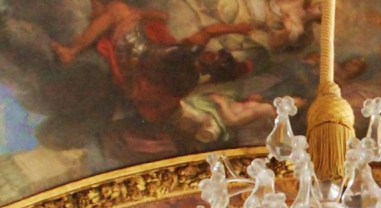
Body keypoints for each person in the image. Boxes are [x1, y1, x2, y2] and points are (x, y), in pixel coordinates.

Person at [52, 0, 253, 123]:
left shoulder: (191, 55)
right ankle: (97, 16)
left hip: (133, 51)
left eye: (219, 56)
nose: (215, 53)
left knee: (117, 10)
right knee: (148, 15)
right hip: (136, 62)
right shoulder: (192, 81)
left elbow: (207, 32)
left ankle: (71, 51)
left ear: (214, 64)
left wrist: (238, 28)